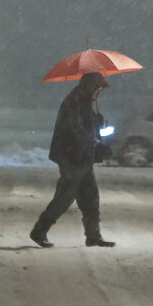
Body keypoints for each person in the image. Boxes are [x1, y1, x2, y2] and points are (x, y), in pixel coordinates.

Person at [29, 71, 115, 248]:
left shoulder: (84, 101)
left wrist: (96, 123)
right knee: (64, 198)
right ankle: (39, 231)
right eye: (98, 89)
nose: (99, 93)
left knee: (91, 198)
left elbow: (84, 128)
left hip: (82, 158)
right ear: (90, 87)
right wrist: (95, 144)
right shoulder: (74, 101)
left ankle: (93, 236)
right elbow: (76, 130)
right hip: (72, 158)